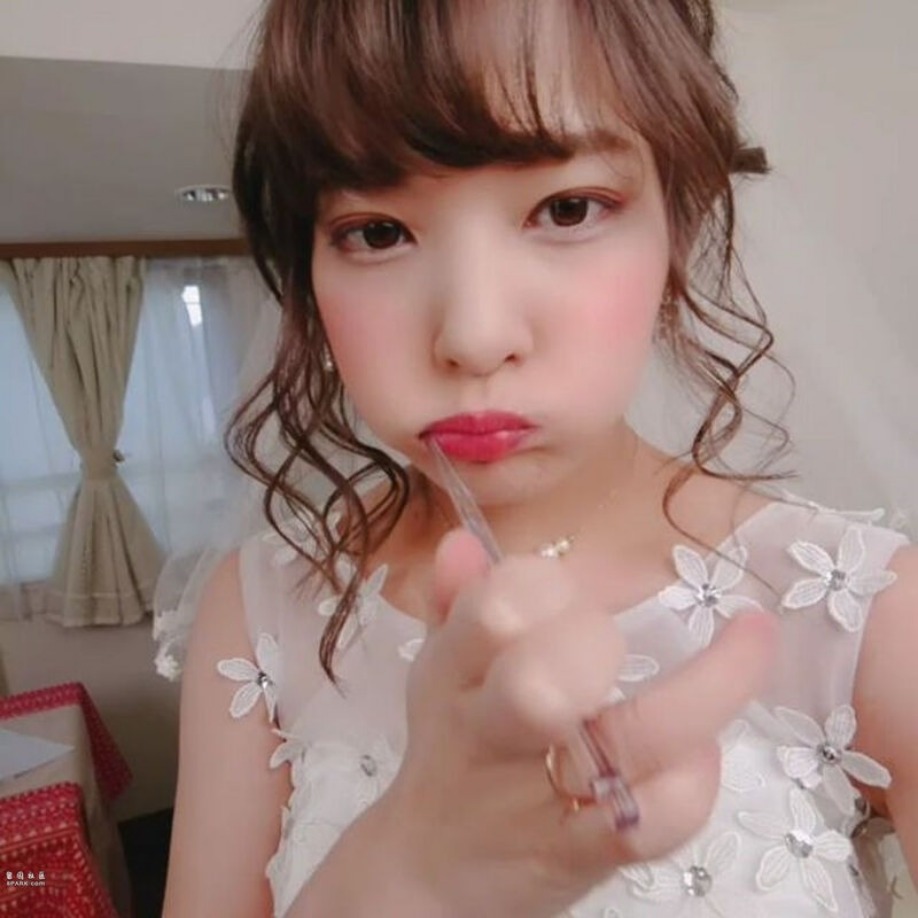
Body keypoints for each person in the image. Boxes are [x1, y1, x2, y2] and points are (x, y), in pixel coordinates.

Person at [159, 1, 918, 915]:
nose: (474, 336)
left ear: (679, 226)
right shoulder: (260, 614)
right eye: (377, 231)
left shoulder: (865, 614)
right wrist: (394, 880)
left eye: (567, 209)